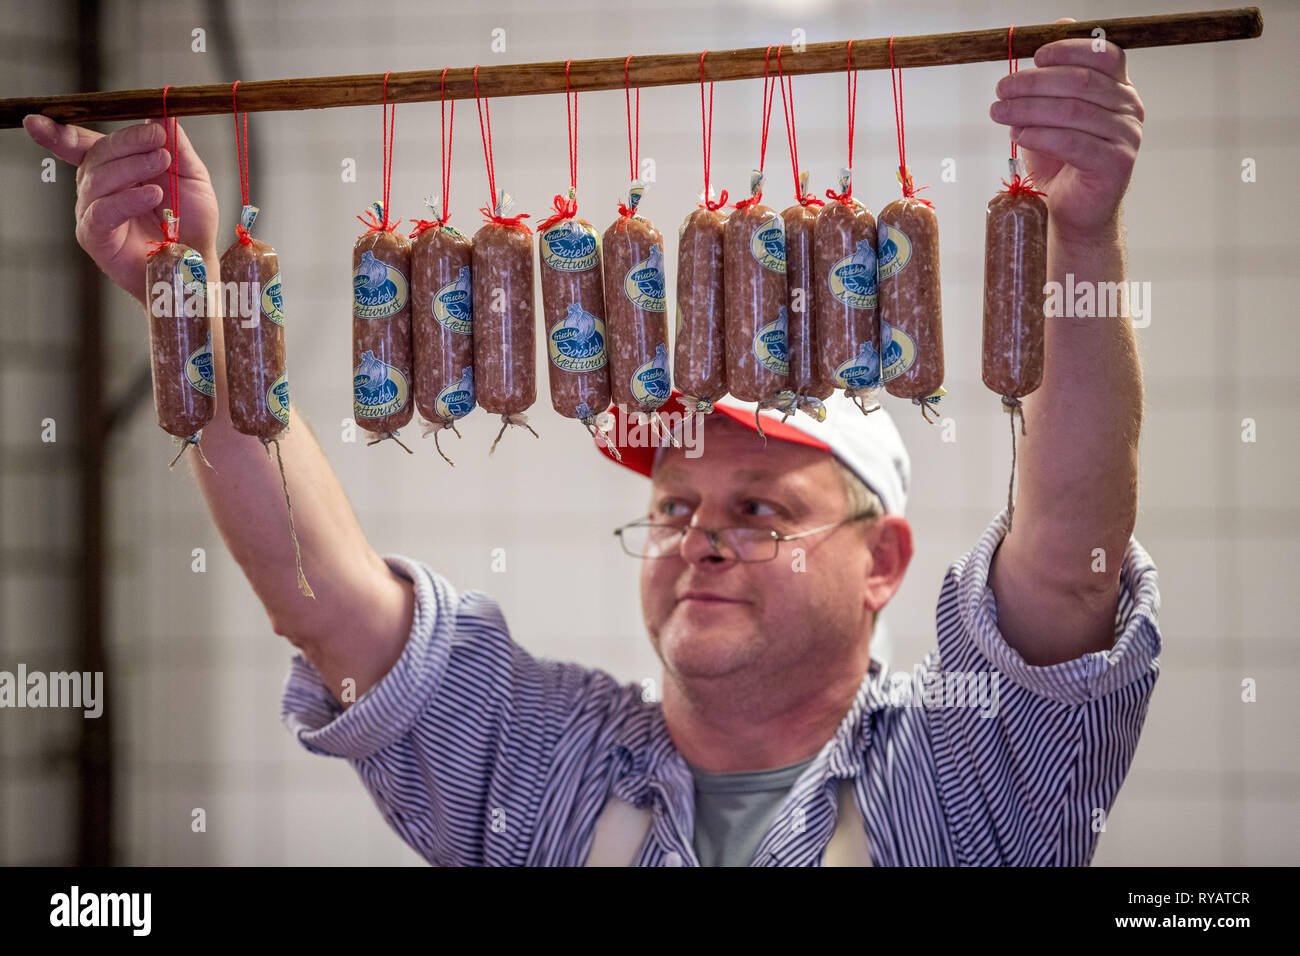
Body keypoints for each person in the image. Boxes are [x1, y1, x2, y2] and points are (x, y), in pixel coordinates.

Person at [24, 26, 1158, 866]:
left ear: (884, 561)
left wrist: (1083, 232)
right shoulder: (542, 753)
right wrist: (190, 302)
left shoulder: (968, 774)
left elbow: (1067, 561)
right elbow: (323, 603)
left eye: (760, 507)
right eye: (675, 506)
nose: (701, 539)